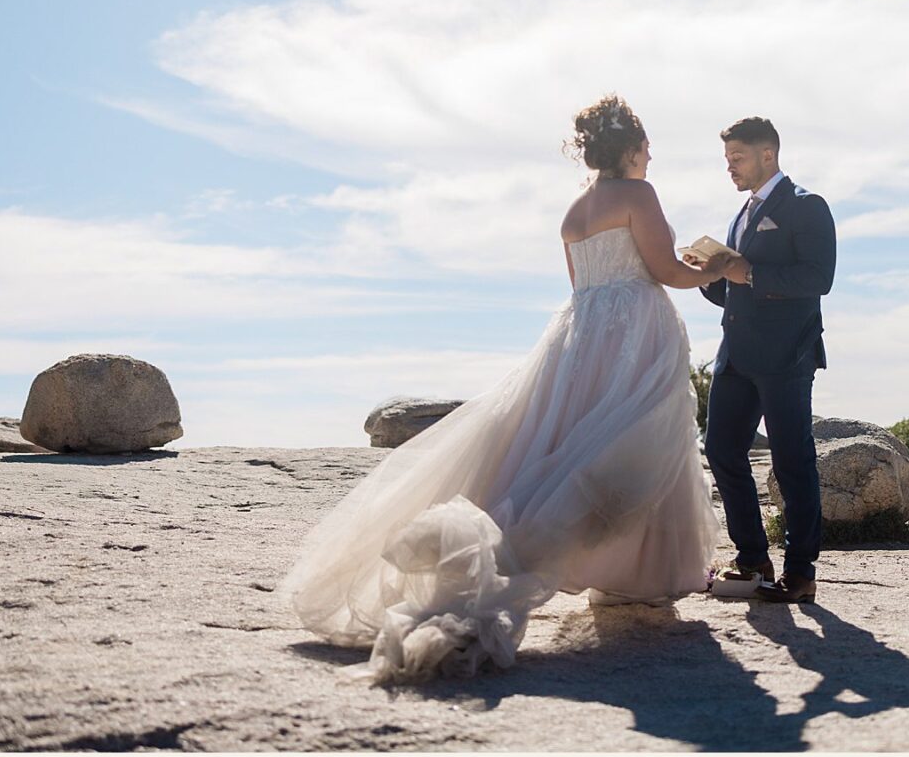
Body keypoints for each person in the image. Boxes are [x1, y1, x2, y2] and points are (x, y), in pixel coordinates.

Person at [278, 94, 726, 685]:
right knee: (632, 443)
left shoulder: (574, 210)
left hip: (582, 334)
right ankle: (626, 574)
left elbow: (585, 285)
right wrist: (717, 268)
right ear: (630, 149)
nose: (651, 156)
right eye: (646, 147)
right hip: (634, 334)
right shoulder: (638, 194)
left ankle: (616, 572)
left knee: (572, 444)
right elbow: (664, 273)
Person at [700, 116, 836, 604]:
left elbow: (818, 277)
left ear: (767, 155)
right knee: (721, 451)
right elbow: (735, 292)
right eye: (727, 160)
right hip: (734, 356)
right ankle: (752, 557)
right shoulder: (741, 214)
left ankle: (801, 572)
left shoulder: (807, 207)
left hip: (786, 356)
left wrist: (749, 271)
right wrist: (710, 277)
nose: (730, 168)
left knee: (792, 461)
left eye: (736, 158)